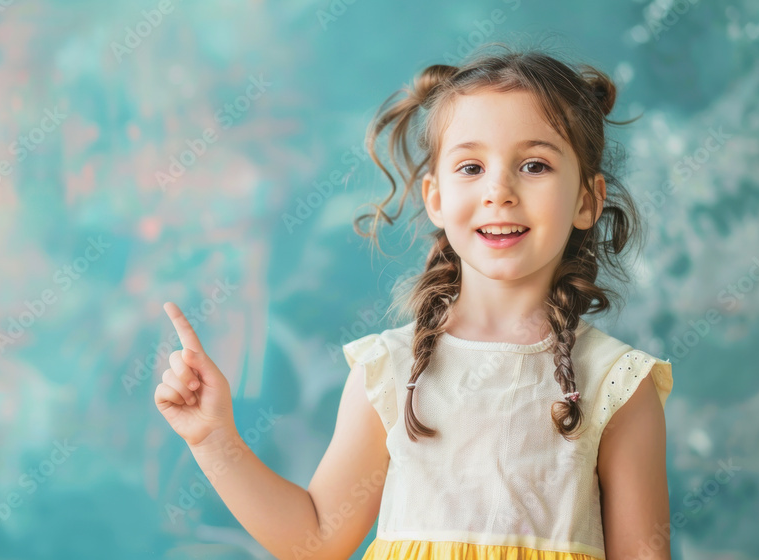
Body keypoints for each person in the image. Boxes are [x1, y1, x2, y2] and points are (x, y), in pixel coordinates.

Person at [155, 43, 674, 560]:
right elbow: (314, 540)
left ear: (587, 201)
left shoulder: (617, 384)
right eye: (471, 168)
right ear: (437, 199)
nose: (500, 191)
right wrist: (212, 437)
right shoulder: (388, 369)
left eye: (535, 165)